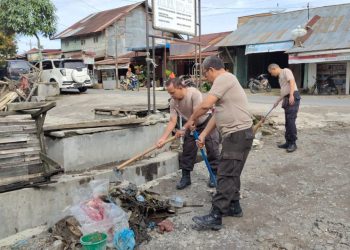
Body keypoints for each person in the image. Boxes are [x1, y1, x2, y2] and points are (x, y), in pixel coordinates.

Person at [183, 56, 254, 230]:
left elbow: (206, 105)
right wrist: (204, 133)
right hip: (239, 134)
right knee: (232, 172)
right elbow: (217, 113)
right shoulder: (228, 81)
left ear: (211, 70)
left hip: (237, 134)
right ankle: (234, 206)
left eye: (205, 74)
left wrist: (191, 119)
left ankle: (216, 216)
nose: (205, 78)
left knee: (225, 174)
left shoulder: (224, 78)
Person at [156, 77, 220, 189]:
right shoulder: (173, 102)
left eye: (172, 92)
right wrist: (163, 138)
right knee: (187, 150)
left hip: (206, 122)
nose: (171, 95)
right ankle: (186, 177)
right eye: (169, 93)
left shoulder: (194, 94)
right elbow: (172, 121)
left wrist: (183, 129)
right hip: (190, 126)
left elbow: (196, 114)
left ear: (180, 87)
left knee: (212, 149)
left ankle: (214, 174)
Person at [268, 64, 301, 153]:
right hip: (286, 97)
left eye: (271, 72)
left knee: (291, 120)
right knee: (287, 121)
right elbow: (283, 91)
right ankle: (288, 142)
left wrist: (291, 95)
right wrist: (277, 101)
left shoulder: (286, 71)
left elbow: (292, 81)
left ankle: (293, 143)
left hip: (292, 96)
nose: (272, 75)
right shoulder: (280, 78)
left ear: (274, 68)